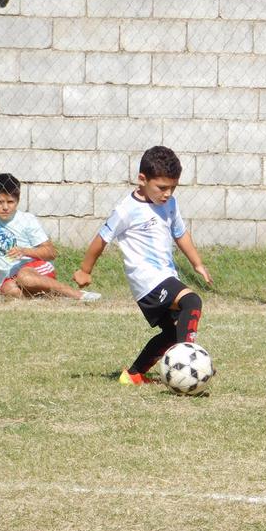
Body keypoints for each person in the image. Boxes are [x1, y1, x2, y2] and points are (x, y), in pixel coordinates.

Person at [73, 146, 212, 385]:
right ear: (142, 179)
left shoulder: (170, 204)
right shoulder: (126, 210)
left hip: (165, 278)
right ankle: (189, 362)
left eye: (173, 187)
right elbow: (101, 239)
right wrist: (85, 270)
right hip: (148, 281)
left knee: (171, 332)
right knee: (192, 301)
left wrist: (197, 263)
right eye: (162, 187)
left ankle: (134, 374)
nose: (167, 193)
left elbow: (180, 233)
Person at [0, 173, 101, 302]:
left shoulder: (27, 220)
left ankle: (78, 295)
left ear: (18, 200)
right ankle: (52, 297)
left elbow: (51, 252)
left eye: (10, 202)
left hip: (36, 269)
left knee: (25, 277)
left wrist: (24, 251)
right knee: (8, 289)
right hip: (11, 279)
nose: (5, 207)